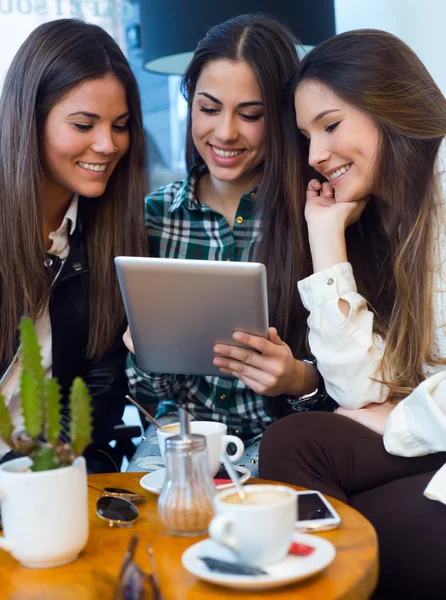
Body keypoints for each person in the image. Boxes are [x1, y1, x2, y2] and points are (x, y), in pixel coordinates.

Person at [259, 29, 446, 599]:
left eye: (331, 124)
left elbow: (382, 410)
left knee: (352, 533)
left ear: (389, 104)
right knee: (291, 444)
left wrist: (398, 421)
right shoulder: (388, 219)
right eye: (306, 136)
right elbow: (359, 390)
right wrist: (326, 236)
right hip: (432, 430)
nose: (315, 154)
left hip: (428, 428)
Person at [124, 14, 330, 474]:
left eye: (250, 114)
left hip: (278, 445)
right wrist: (146, 354)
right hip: (177, 441)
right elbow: (145, 401)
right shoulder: (152, 217)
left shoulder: (316, 215)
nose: (225, 133)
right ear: (189, 102)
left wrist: (298, 379)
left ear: (280, 117)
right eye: (209, 108)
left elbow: (351, 386)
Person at [0, 19, 148, 473]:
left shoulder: (110, 236)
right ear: (31, 118)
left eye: (120, 126)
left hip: (50, 476)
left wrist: (43, 471)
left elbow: (98, 390)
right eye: (84, 124)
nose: (107, 145)